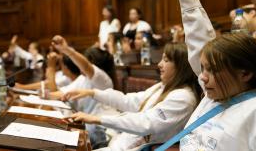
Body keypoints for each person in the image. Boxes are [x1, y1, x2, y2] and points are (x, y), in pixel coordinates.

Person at [172, 0, 256, 150]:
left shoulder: (254, 111)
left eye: (211, 69)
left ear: (245, 73)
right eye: (203, 68)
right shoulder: (218, 88)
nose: (202, 77)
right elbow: (198, 39)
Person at [63, 42, 201, 151]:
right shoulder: (162, 87)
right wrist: (93, 93)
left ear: (181, 66)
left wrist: (98, 119)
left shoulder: (183, 97)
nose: (159, 64)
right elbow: (130, 100)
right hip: (120, 144)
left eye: (166, 60)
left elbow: (145, 123)